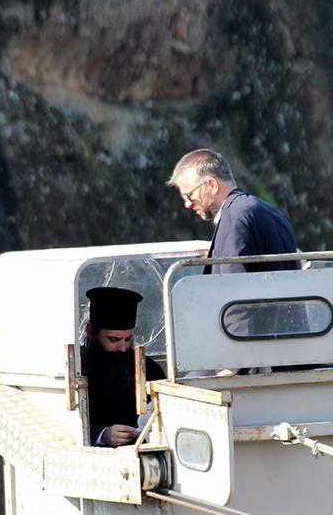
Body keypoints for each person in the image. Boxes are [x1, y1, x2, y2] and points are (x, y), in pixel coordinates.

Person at [166, 148, 298, 274]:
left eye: (189, 195)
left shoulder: (234, 217)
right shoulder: (273, 213)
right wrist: (218, 253)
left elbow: (232, 288)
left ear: (212, 185)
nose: (187, 204)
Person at [81, 286, 165, 447]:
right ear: (91, 331)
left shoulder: (148, 368)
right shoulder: (76, 369)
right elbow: (61, 427)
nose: (123, 347)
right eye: (113, 340)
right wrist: (102, 435)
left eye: (128, 340)